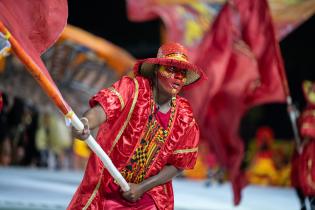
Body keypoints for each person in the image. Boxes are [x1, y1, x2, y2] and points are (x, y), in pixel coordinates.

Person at [68, 42, 205, 209]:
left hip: (149, 196)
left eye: (182, 72)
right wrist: (86, 122)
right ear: (156, 70)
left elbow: (178, 164)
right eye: (170, 69)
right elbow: (103, 109)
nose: (177, 76)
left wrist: (142, 188)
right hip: (105, 188)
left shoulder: (185, 115)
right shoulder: (132, 89)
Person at [291, 81, 315, 210]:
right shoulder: (307, 110)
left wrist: (304, 141)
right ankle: (303, 204)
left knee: (310, 176)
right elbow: (301, 127)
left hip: (311, 149)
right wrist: (294, 114)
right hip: (303, 150)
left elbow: (308, 130)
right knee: (299, 176)